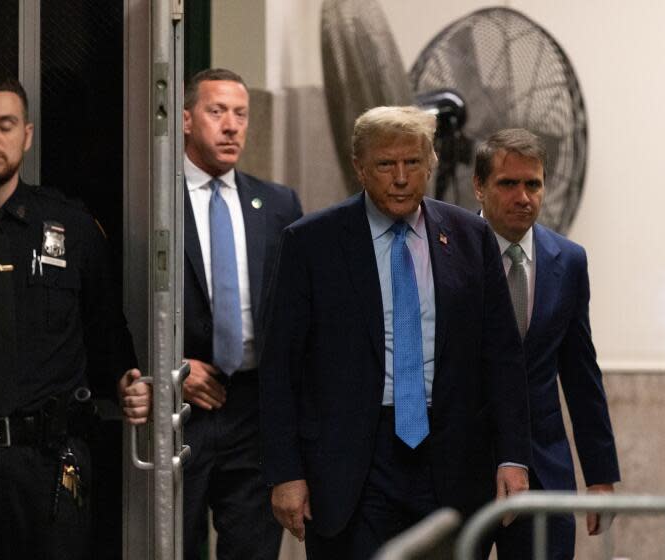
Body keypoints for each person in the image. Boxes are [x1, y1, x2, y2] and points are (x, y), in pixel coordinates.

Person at [258, 106, 531, 559]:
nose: (401, 177)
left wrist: (512, 457)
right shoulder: (311, 243)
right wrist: (285, 472)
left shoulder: (470, 237)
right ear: (360, 167)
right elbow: (281, 366)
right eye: (386, 165)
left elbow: (502, 355)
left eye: (413, 163)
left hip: (451, 458)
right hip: (351, 466)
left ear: (431, 164)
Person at [0, 74, 138, 559]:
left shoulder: (72, 227)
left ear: (26, 134)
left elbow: (107, 333)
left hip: (50, 465)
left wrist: (128, 383)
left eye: (5, 125)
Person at [121, 68, 302, 560]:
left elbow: (297, 315)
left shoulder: (279, 204)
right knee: (170, 546)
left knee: (252, 548)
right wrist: (169, 366)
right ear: (184, 119)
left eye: (240, 114)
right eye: (216, 111)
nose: (231, 126)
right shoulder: (152, 202)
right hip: (181, 406)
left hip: (254, 410)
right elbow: (124, 304)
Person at [473, 128, 621, 559]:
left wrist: (600, 474)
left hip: (545, 467)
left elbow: (580, 372)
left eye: (533, 184)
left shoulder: (568, 260)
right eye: (508, 184)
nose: (523, 197)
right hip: (466, 467)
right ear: (479, 187)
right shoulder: (450, 253)